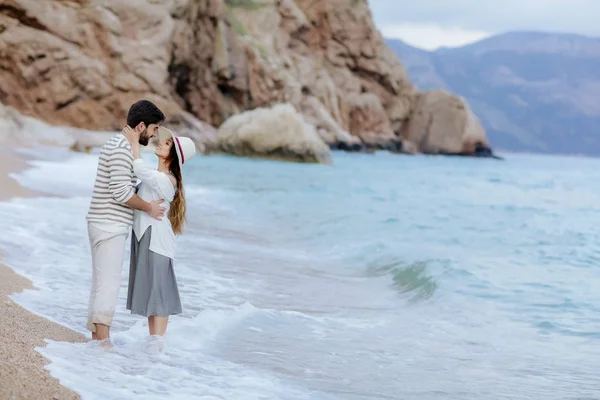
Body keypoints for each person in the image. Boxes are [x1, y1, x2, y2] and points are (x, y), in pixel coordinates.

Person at [86, 100, 166, 344]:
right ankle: (103, 341)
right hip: (109, 224)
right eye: (153, 129)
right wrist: (149, 208)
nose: (154, 135)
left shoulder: (118, 143)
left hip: (102, 221)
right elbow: (121, 192)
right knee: (108, 284)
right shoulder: (122, 148)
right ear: (141, 126)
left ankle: (96, 338)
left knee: (101, 282)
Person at [122, 124, 196, 347]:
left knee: (159, 297)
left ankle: (158, 346)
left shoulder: (169, 180)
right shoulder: (156, 176)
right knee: (152, 298)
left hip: (157, 242)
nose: (162, 142)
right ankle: (154, 346)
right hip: (146, 238)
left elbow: (141, 170)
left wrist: (135, 143)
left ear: (173, 156)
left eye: (168, 143)